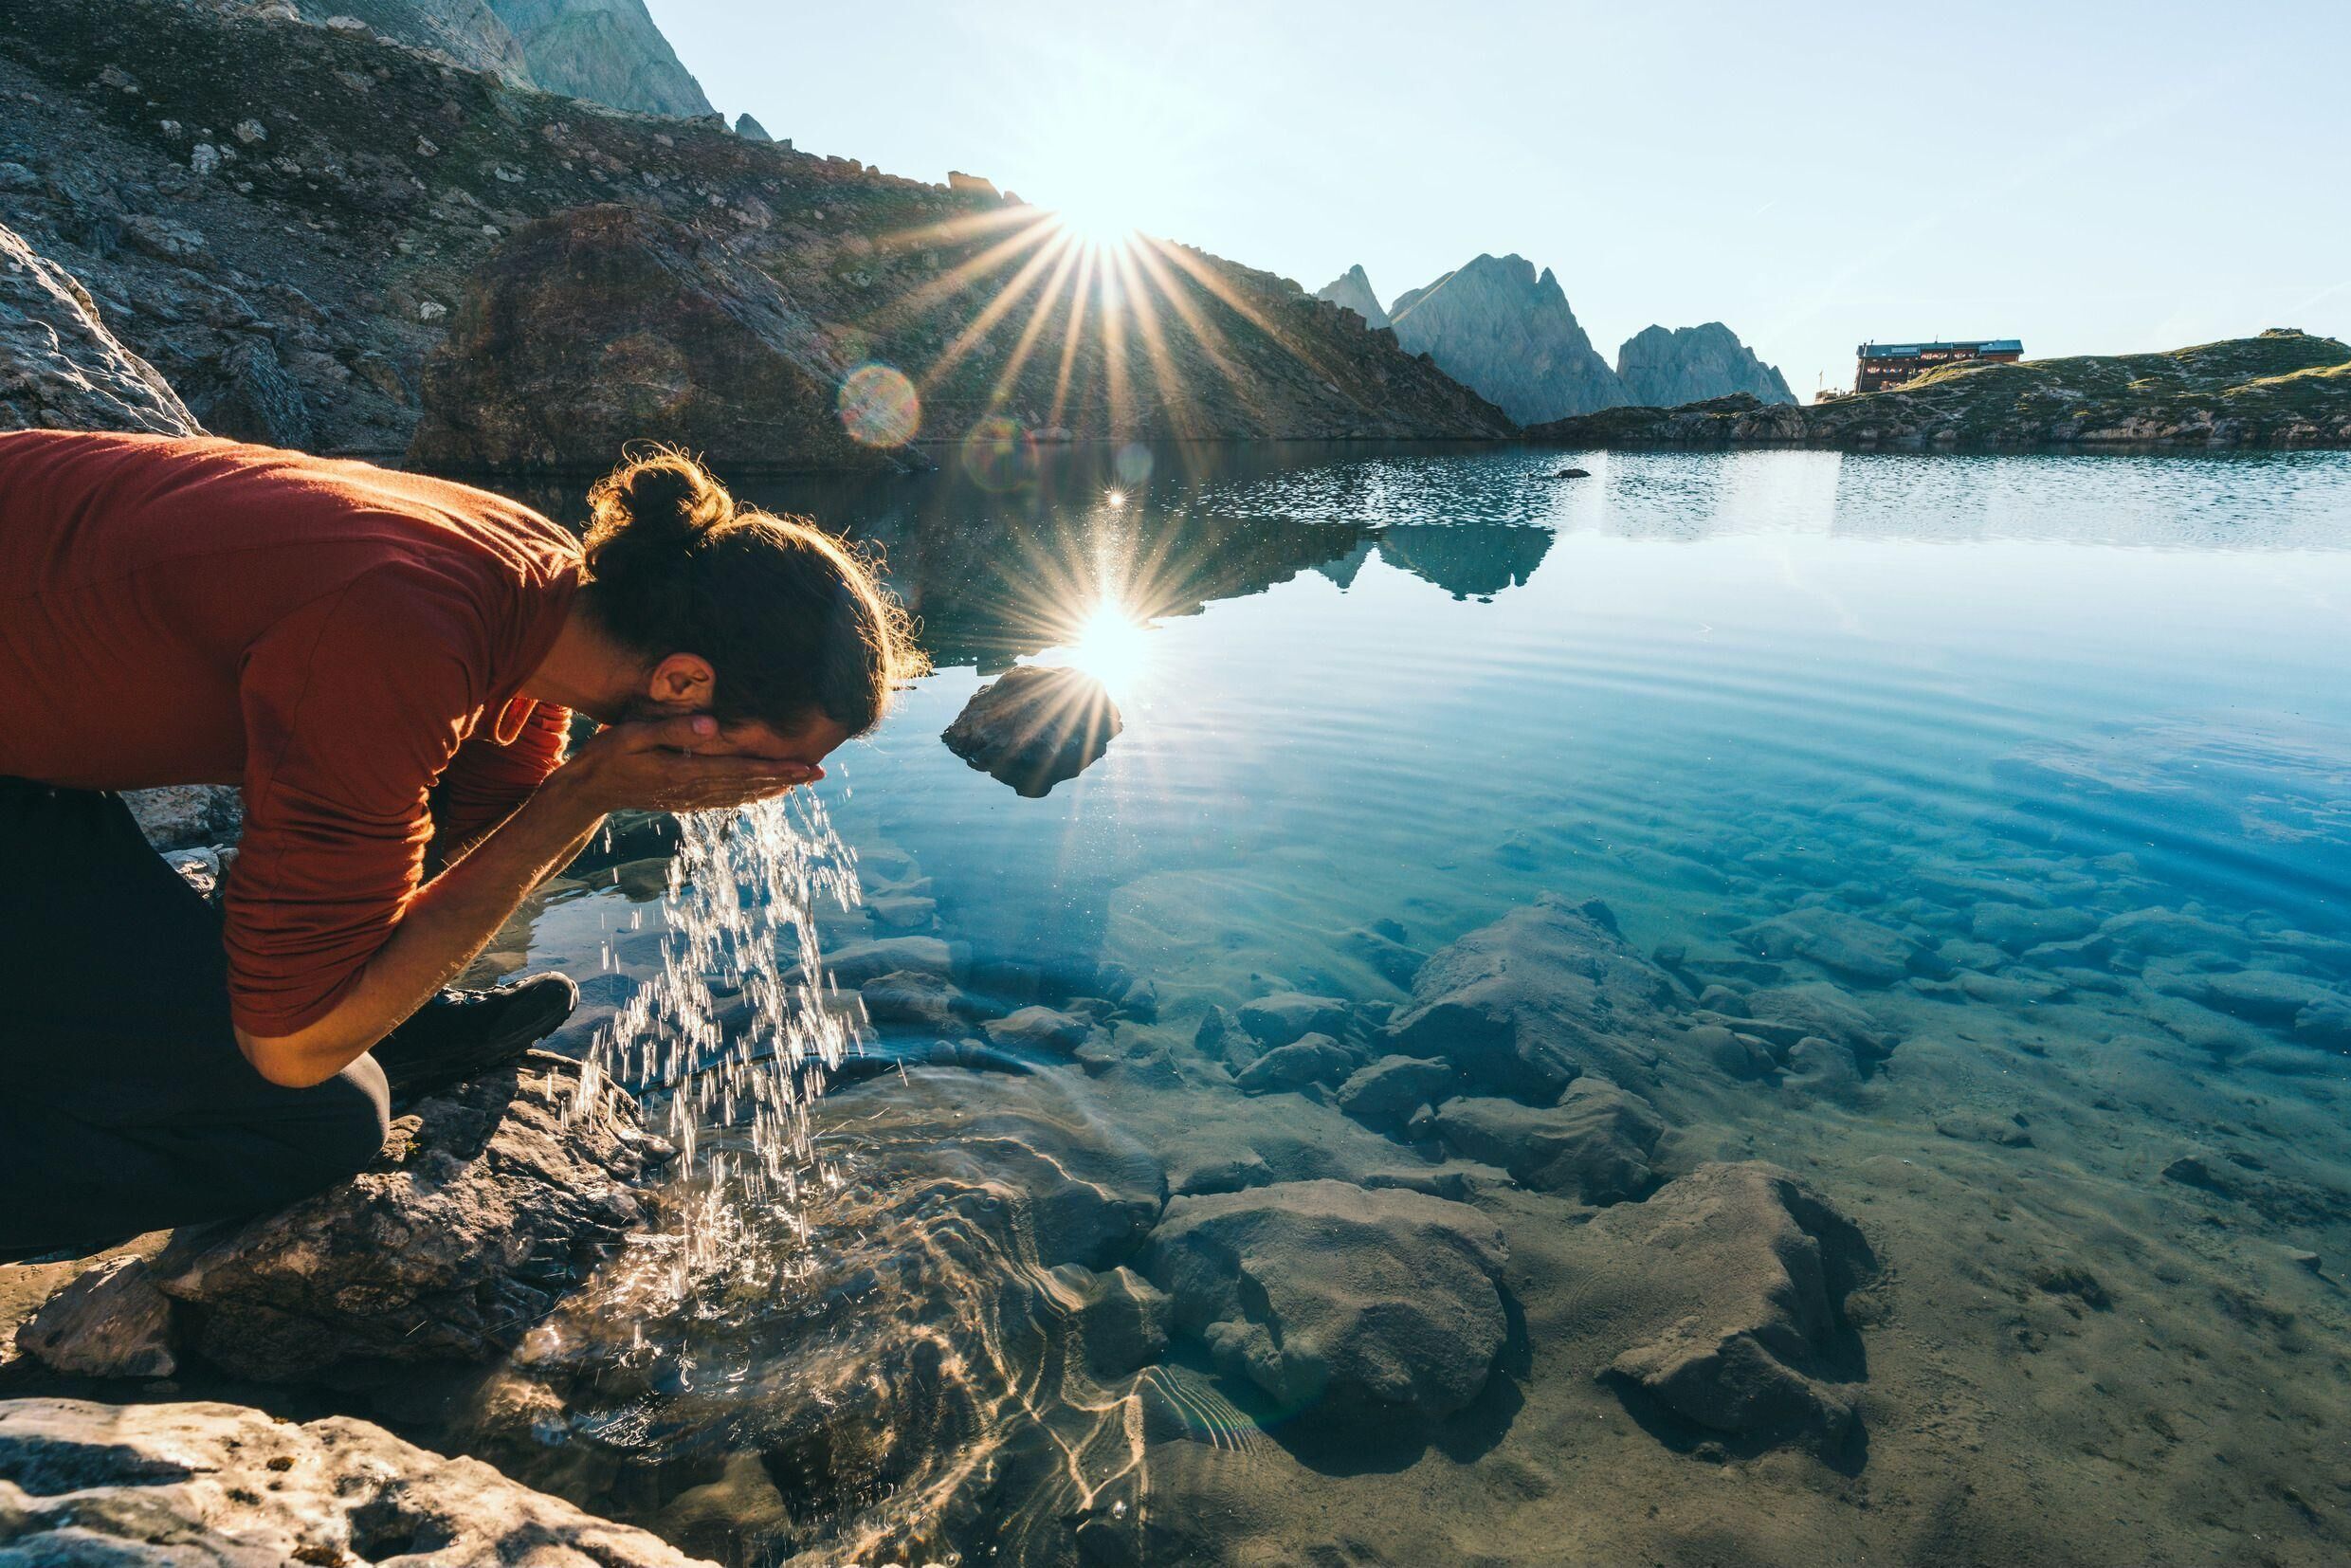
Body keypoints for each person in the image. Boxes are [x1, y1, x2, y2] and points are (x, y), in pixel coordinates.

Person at [0, 432, 922, 1261]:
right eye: (768, 769)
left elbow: (471, 838)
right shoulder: (401, 633)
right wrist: (585, 798)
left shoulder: (543, 591)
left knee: (283, 1017)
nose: (757, 797)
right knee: (317, 1118)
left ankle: (373, 1032)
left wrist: (390, 963)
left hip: (28, 749)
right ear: (683, 679)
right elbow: (287, 1046)